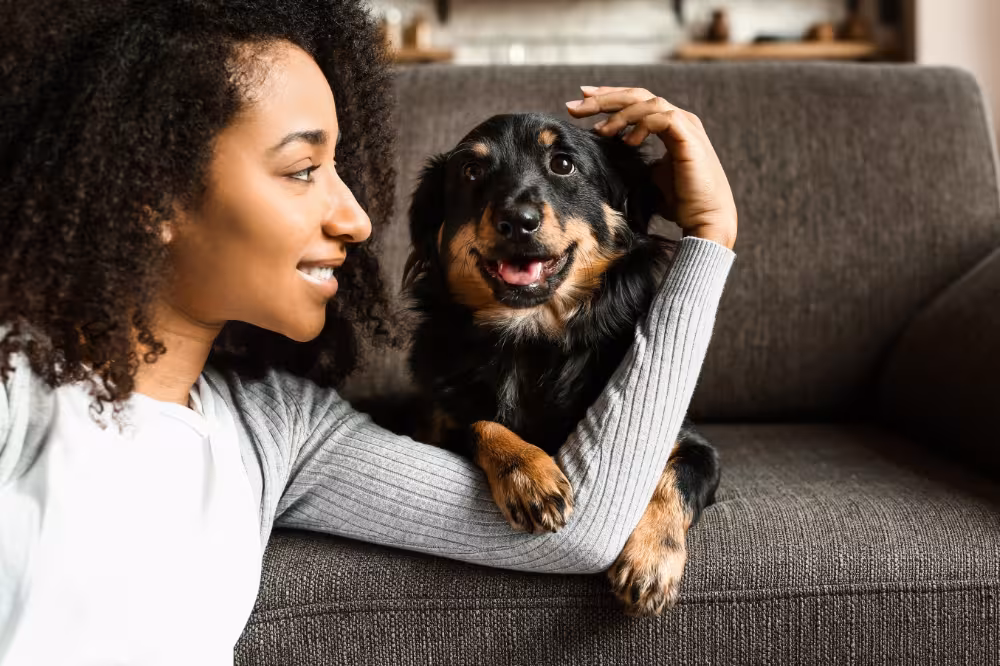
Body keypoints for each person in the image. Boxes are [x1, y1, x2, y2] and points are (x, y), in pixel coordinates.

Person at [0, 0, 737, 663]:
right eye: (300, 170)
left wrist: (709, 238)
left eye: (340, 168)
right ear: (149, 193)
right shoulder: (16, 388)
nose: (356, 219)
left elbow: (584, 529)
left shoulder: (282, 432)